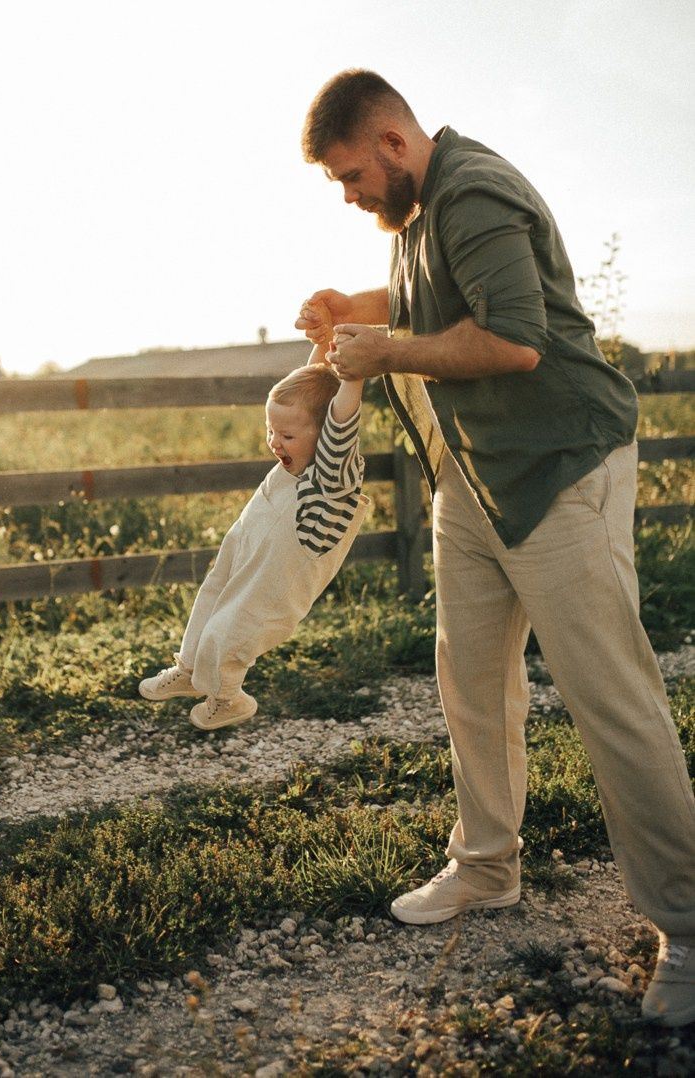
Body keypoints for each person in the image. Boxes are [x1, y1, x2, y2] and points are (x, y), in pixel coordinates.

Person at [295, 67, 695, 1028]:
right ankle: (485, 868)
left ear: (392, 142)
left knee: (611, 696)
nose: (349, 197)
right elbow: (429, 300)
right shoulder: (417, 215)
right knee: (470, 678)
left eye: (351, 176)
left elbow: (512, 340)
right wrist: (352, 305)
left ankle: (689, 925)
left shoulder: (471, 192)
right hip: (472, 482)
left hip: (558, 470)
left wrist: (382, 351)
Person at [139, 303, 369, 730]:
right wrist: (322, 344)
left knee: (234, 628)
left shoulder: (332, 475)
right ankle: (190, 670)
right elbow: (312, 393)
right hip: (249, 546)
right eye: (270, 431)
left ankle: (229, 698)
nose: (273, 442)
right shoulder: (298, 455)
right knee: (213, 594)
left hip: (279, 581)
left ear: (324, 437)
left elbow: (337, 418)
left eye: (285, 435)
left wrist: (352, 379)